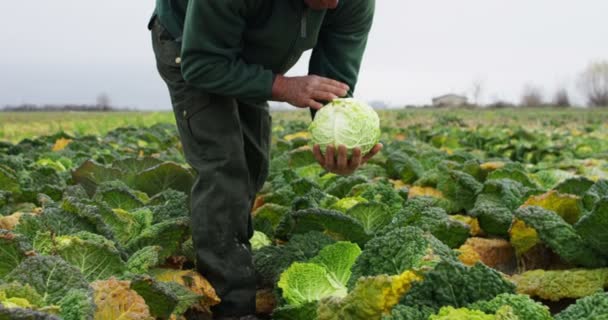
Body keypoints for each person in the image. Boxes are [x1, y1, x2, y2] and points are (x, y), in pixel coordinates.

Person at [149, 0, 380, 319]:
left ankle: (228, 255)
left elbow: (333, 88)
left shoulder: (355, 3)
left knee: (253, 164)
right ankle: (230, 305)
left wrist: (337, 145)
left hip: (250, 53)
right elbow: (203, 64)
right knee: (224, 167)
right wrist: (282, 85)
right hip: (192, 44)